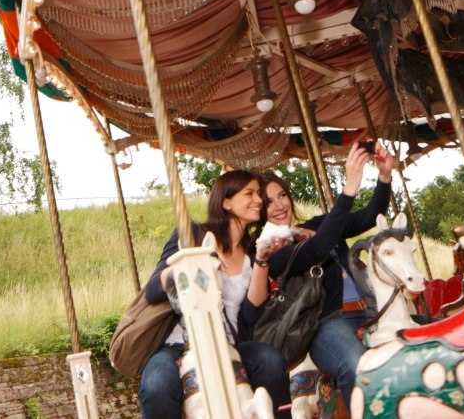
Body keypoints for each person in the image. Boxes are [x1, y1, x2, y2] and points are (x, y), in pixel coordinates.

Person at [138, 169, 293, 419]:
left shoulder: (251, 250)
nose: (259, 200)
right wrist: (195, 260)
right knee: (156, 384)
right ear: (226, 202)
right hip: (180, 343)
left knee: (270, 360)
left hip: (228, 342)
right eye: (249, 193)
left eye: (259, 194)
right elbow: (154, 290)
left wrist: (262, 261)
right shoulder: (192, 235)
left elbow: (252, 314)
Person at [260, 142, 394, 412]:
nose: (279, 205)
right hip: (328, 323)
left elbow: (370, 215)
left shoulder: (318, 225)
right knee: (356, 366)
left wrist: (384, 177)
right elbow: (318, 247)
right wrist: (350, 187)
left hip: (371, 310)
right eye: (268, 202)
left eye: (282, 195)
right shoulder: (271, 251)